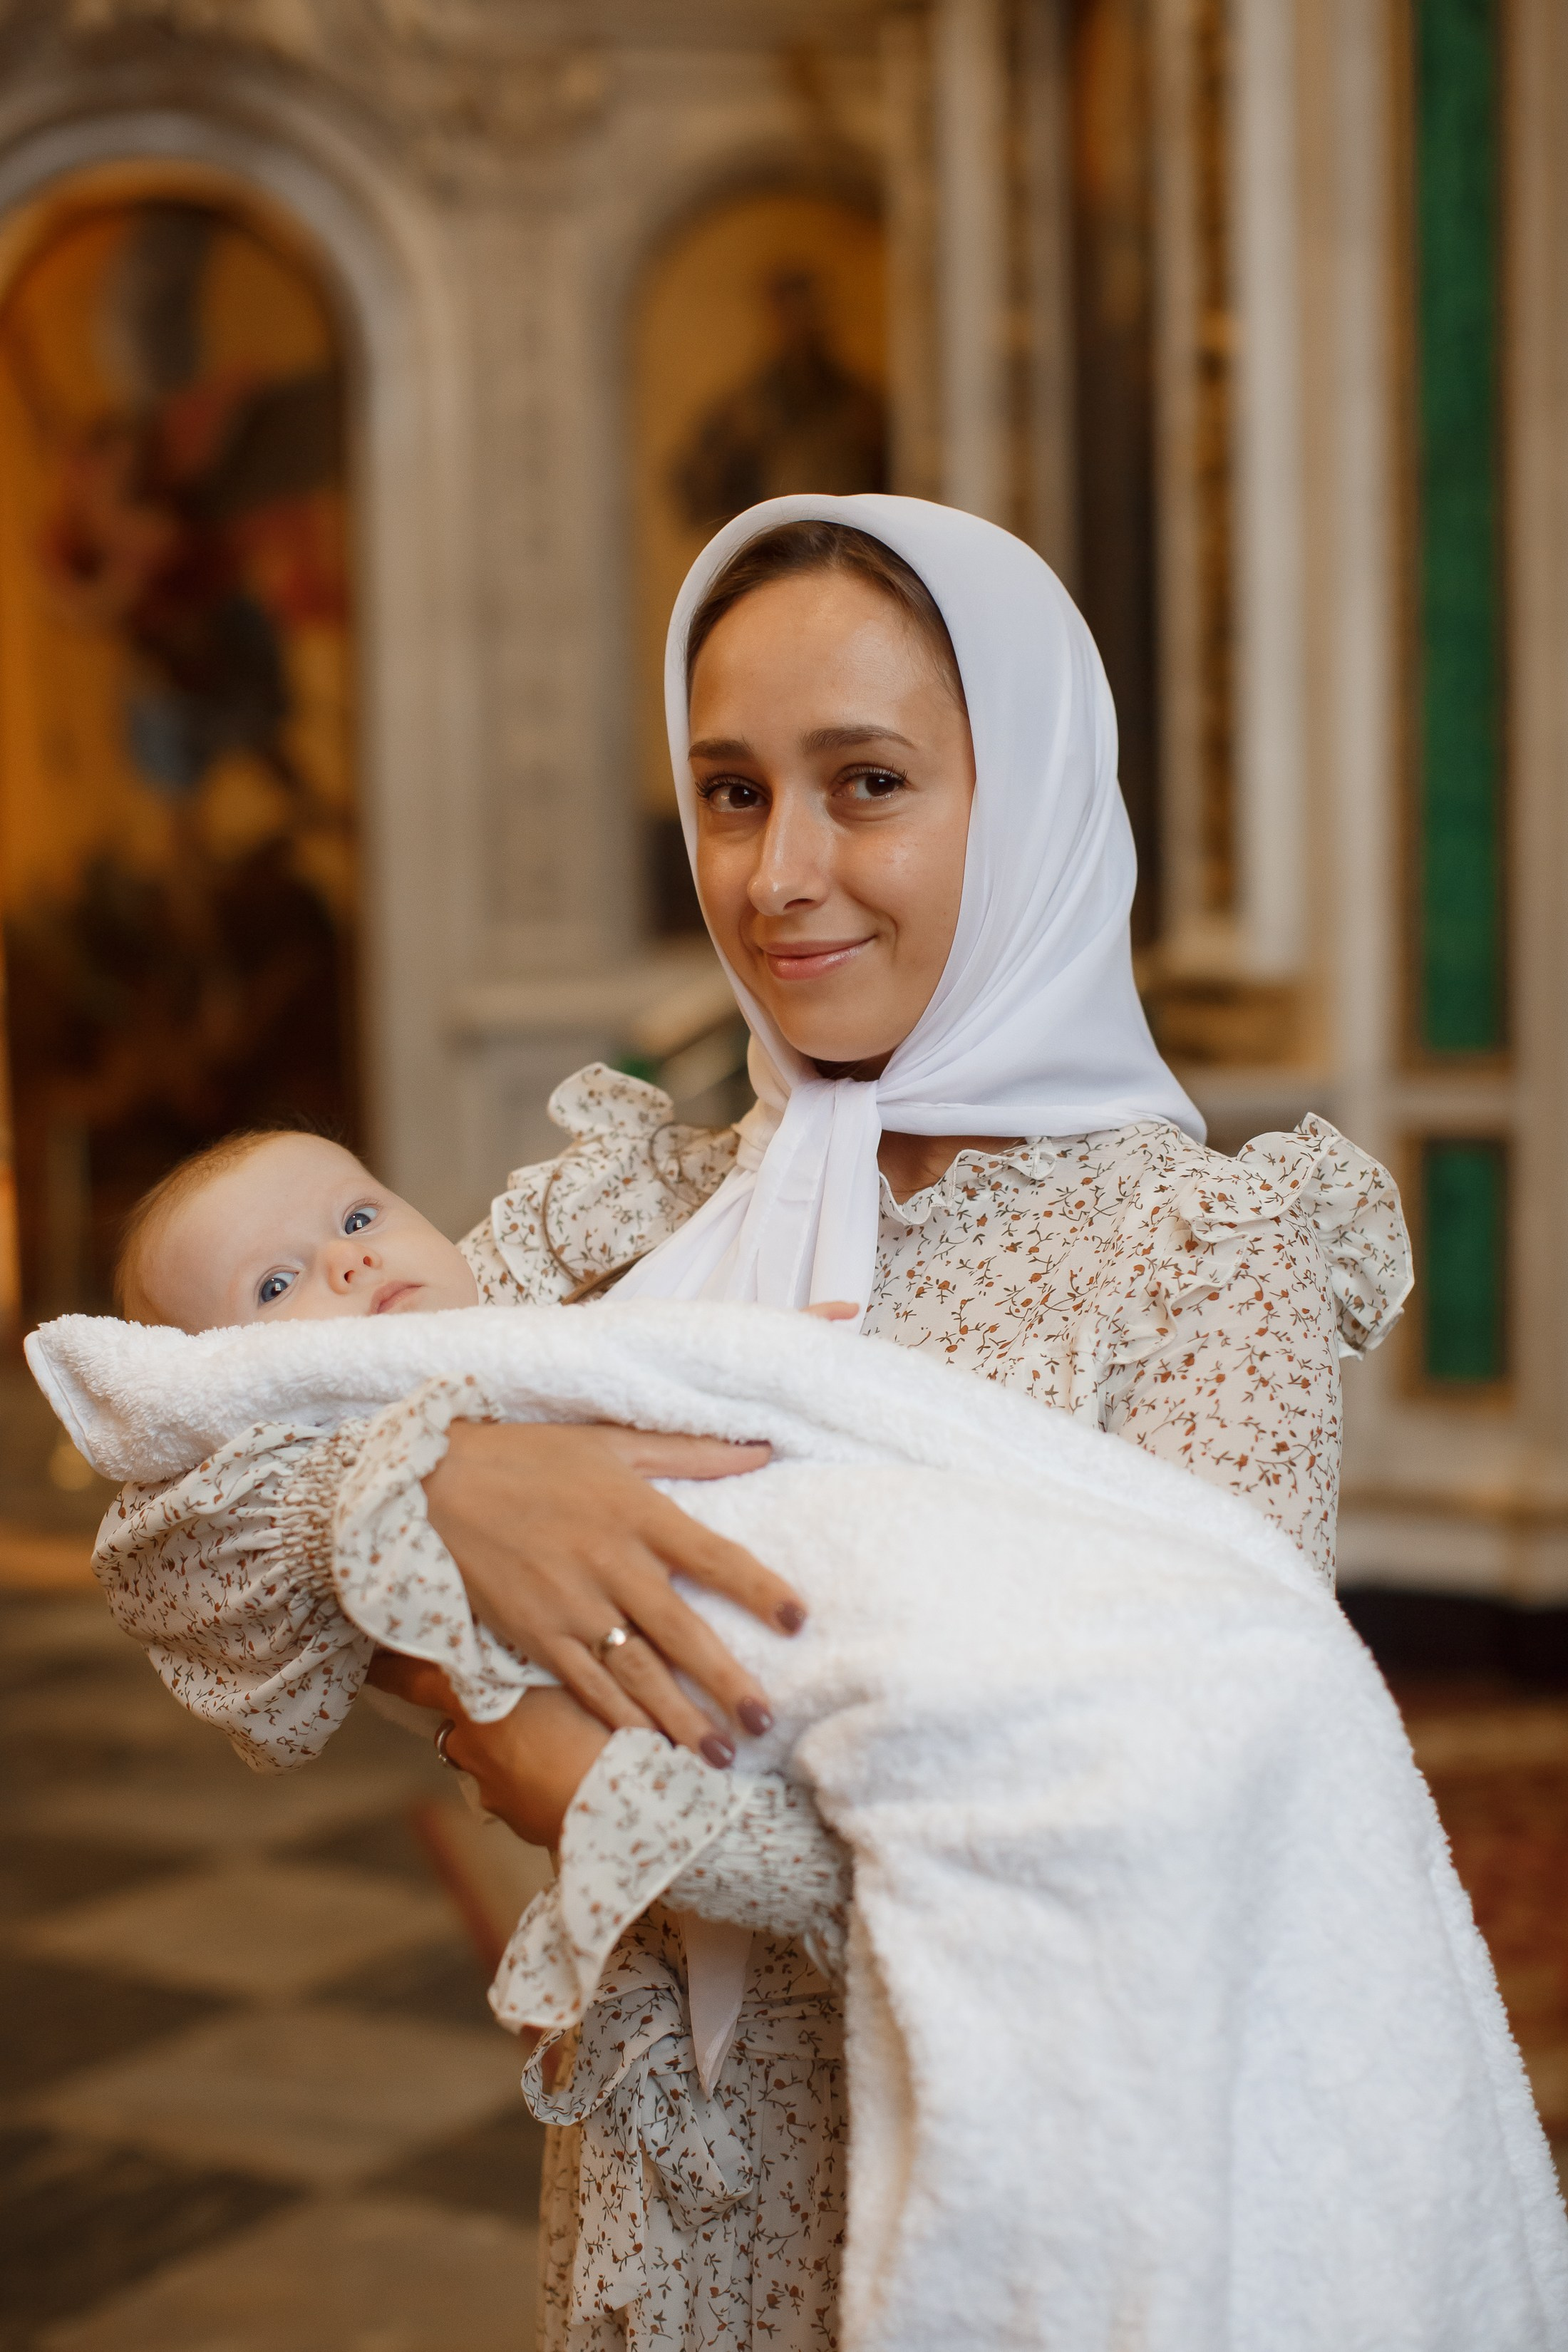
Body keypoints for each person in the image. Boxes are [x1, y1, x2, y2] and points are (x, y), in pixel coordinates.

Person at [88, 494, 1413, 2349]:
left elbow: (1169, 1859)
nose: (780, 872)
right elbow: (188, 1512)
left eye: (865, 782)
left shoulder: (1205, 1256)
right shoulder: (644, 1203)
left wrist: (583, 1783)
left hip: (992, 2223)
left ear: (1026, 796)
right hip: (665, 2209)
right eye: (728, 791)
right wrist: (455, 1477)